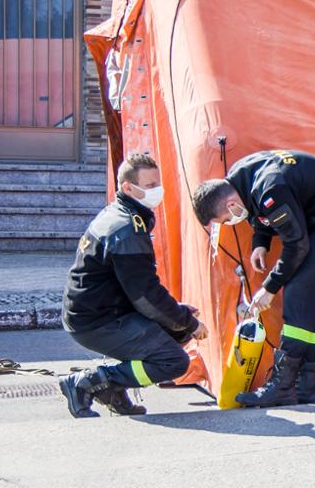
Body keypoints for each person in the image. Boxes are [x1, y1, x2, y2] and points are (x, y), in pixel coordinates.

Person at [189, 149, 315, 408]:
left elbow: (297, 245)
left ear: (230, 204)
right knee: (306, 301)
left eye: (225, 220)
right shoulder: (240, 179)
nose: (230, 222)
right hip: (314, 220)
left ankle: (282, 385)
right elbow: (257, 209)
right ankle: (307, 387)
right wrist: (261, 242)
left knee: (297, 293)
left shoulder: (271, 189)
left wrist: (269, 287)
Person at [59, 152, 206, 418]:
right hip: (97, 320)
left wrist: (179, 315)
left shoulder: (120, 213)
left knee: (178, 331)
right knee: (174, 360)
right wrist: (188, 321)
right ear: (128, 187)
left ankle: (112, 389)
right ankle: (91, 381)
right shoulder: (128, 228)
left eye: (157, 184)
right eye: (150, 186)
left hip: (102, 310)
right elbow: (145, 295)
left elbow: (138, 288)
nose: (157, 190)